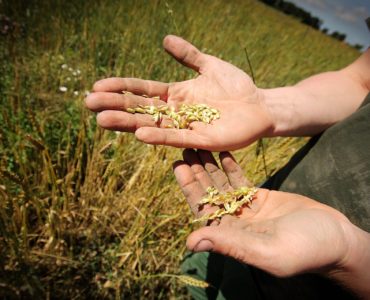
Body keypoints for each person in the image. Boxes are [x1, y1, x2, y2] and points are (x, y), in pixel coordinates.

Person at [85, 34, 370, 299]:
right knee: (199, 274)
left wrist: (350, 255)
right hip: (252, 211)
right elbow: (361, 82)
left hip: (313, 286)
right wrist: (267, 106)